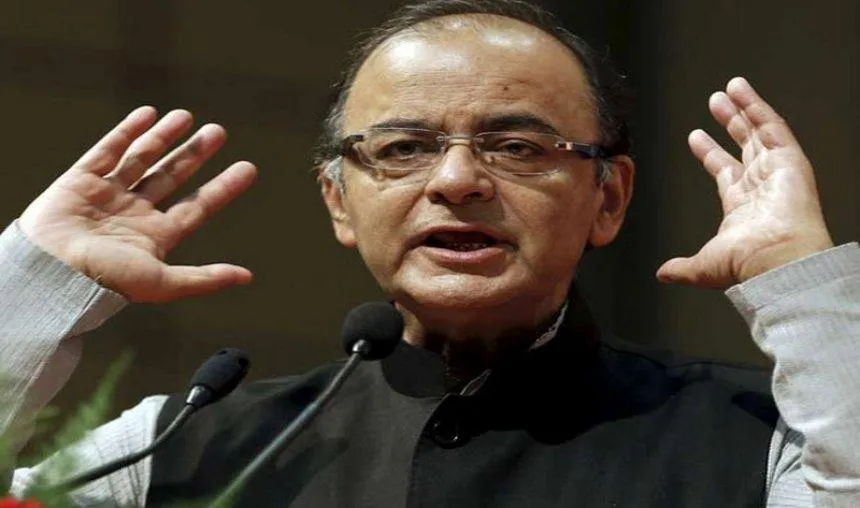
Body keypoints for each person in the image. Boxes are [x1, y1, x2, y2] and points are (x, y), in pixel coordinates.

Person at [1, 0, 858, 506]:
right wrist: (33, 283)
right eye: (404, 148)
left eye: (517, 146)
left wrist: (799, 281)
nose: (456, 181)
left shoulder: (751, 439)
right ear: (339, 201)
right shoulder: (187, 442)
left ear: (608, 198)